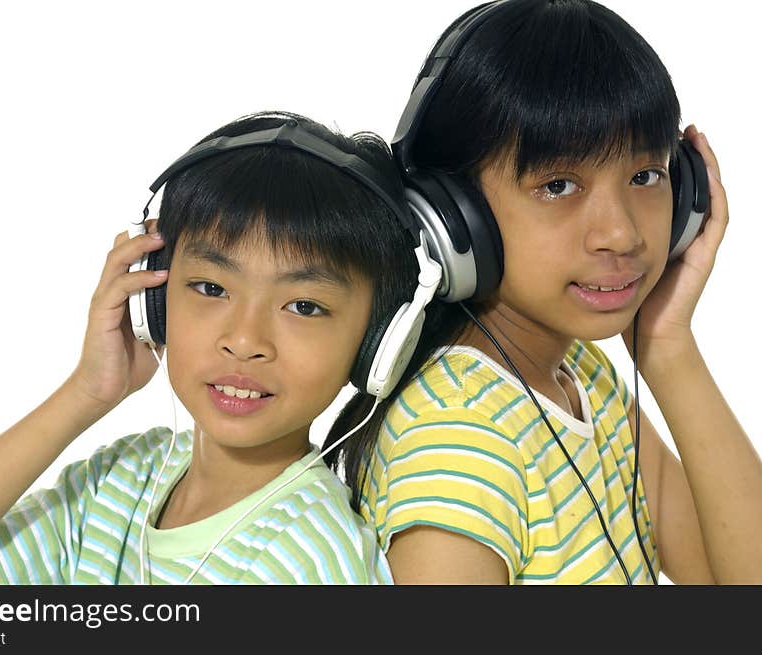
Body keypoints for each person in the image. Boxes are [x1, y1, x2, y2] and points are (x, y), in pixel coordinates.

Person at [0, 111, 427, 585]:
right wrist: (86, 393)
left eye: (304, 306)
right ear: (154, 299)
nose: (244, 341)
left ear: (378, 341)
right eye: (211, 288)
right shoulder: (119, 482)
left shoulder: (313, 561)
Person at [324, 0, 762, 584]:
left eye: (645, 177)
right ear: (456, 219)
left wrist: (666, 343)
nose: (623, 233)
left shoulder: (583, 375)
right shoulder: (459, 443)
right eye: (559, 185)